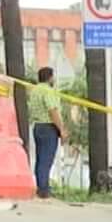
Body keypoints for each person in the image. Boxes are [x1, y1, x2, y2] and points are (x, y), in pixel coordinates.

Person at [30, 66, 65, 198]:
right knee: (46, 160)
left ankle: (40, 187)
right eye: (53, 76)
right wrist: (61, 129)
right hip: (49, 127)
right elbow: (53, 111)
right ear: (50, 77)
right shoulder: (48, 91)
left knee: (40, 159)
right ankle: (44, 190)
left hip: (37, 126)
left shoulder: (34, 91)